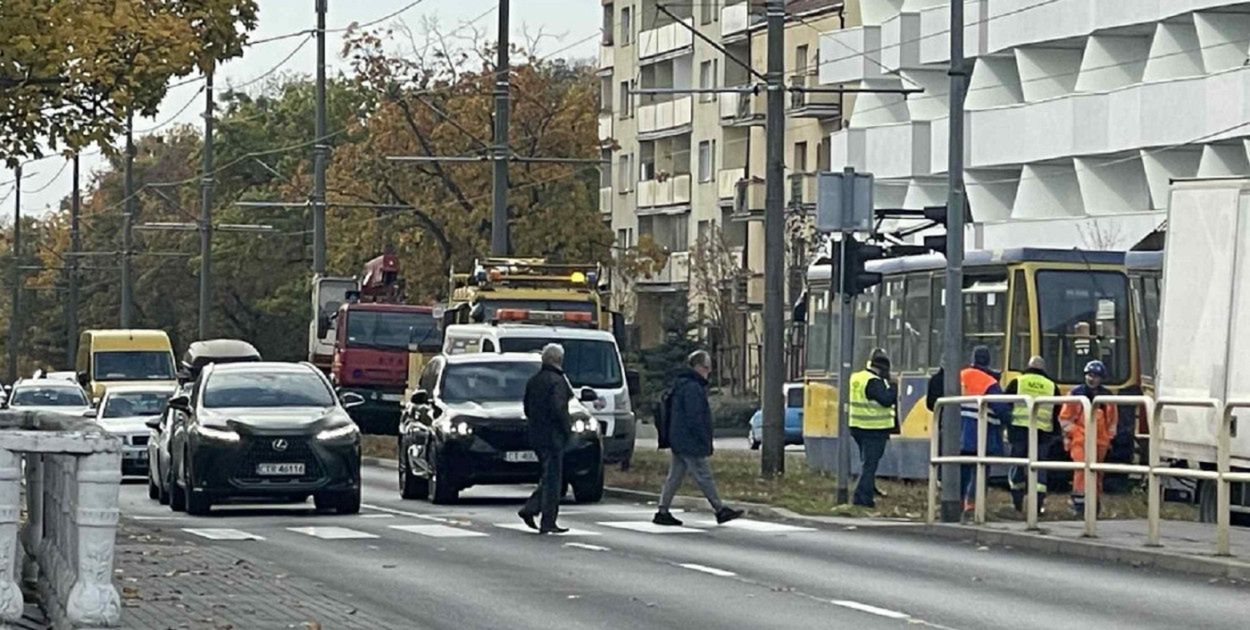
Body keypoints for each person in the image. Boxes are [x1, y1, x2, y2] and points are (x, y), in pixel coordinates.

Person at [653, 350, 744, 526]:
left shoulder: (682, 384)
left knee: (675, 476)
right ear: (697, 367)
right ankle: (719, 509)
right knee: (703, 475)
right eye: (706, 367)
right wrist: (704, 438)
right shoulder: (692, 387)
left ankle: (662, 511)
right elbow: (695, 417)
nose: (708, 371)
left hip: (679, 437)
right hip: (689, 439)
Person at [518, 344, 574, 534]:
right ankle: (546, 520)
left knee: (548, 476)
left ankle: (532, 508)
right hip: (553, 436)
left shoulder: (534, 381)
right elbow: (560, 409)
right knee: (553, 480)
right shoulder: (557, 381)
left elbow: (526, 408)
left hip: (536, 434)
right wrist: (568, 429)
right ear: (558, 360)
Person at [1003, 356, 1062, 514]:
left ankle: (1017, 503)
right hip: (1043, 432)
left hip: (1019, 430)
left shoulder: (1018, 382)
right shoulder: (1052, 386)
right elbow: (1057, 411)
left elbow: (1005, 404)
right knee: (1040, 466)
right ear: (1043, 369)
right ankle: (1037, 506)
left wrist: (1008, 424)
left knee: (1018, 464)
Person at [1059, 360, 1118, 515]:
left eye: (1096, 376)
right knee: (1081, 469)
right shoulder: (1075, 394)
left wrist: (1108, 438)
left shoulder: (1107, 397)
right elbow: (1065, 419)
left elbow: (1112, 422)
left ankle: (1094, 505)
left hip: (1100, 442)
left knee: (1096, 473)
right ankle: (1079, 504)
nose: (1092, 379)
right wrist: (1076, 434)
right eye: (1089, 375)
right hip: (1079, 440)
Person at [959, 346, 1012, 515]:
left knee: (962, 469)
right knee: (980, 471)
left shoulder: (961, 375)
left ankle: (958, 503)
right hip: (983, 434)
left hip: (960, 433)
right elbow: (1001, 409)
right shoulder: (989, 383)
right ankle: (973, 505)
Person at [849, 348, 897, 508]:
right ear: (882, 368)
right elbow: (886, 400)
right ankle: (862, 498)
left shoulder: (857, 377)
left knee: (867, 463)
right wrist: (893, 386)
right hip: (873, 428)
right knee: (870, 465)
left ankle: (867, 491)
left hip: (857, 426)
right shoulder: (874, 382)